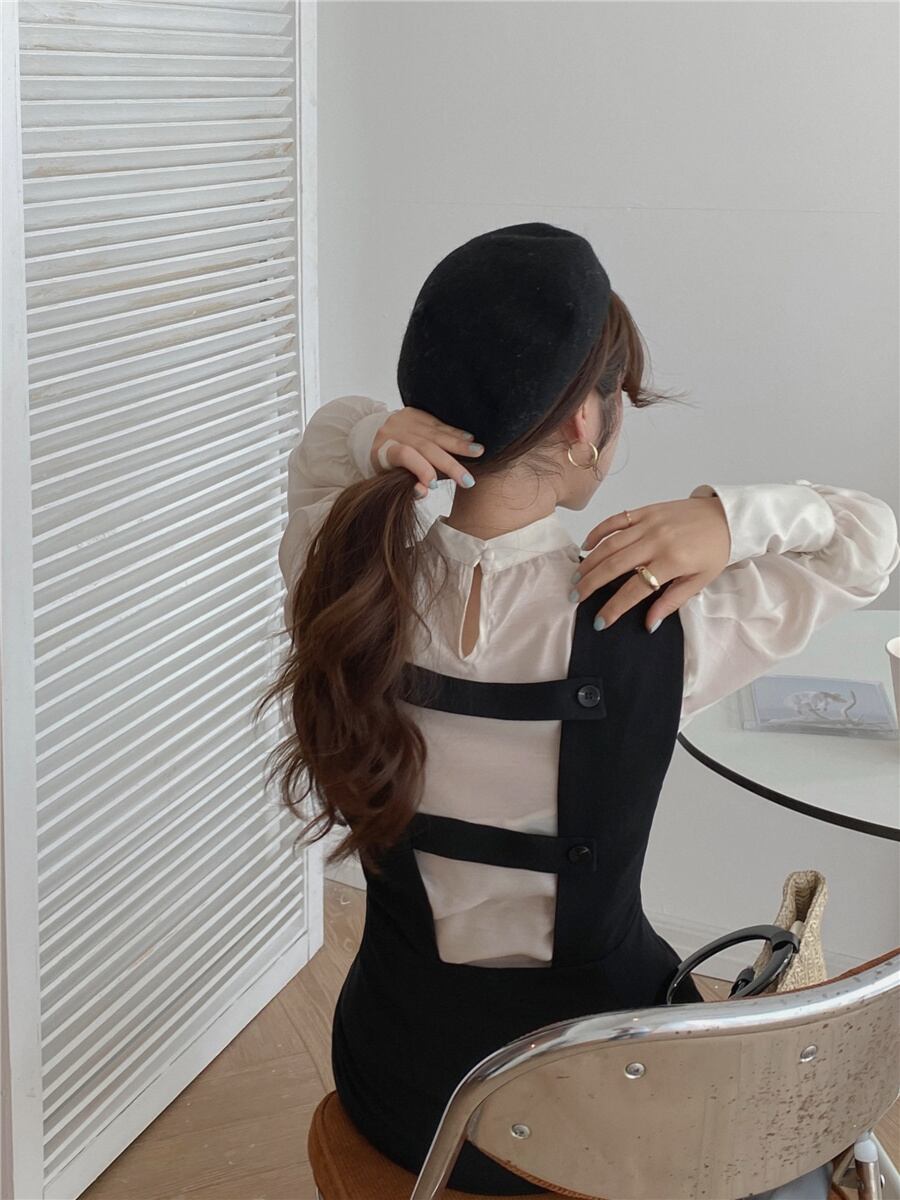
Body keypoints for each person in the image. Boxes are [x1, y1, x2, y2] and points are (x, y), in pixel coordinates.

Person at [258, 223, 900, 1196]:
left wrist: (372, 434)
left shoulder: (342, 577)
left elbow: (323, 442)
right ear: (583, 426)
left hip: (400, 1082)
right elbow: (866, 543)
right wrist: (728, 517)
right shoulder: (662, 622)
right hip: (601, 1106)